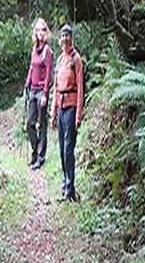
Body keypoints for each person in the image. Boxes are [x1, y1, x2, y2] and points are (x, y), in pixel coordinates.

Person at [50, 24, 84, 202]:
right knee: (61, 150)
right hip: (61, 107)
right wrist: (52, 113)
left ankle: (70, 190)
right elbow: (56, 88)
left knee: (68, 148)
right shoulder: (60, 60)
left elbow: (80, 88)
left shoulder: (75, 59)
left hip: (71, 107)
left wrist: (78, 115)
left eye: (67, 36)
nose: (64, 39)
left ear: (71, 38)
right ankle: (65, 185)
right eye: (62, 36)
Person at [24, 18, 53, 170]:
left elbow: (48, 73)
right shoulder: (34, 49)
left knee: (42, 125)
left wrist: (45, 94)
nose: (40, 32)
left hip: (41, 91)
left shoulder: (47, 51)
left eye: (43, 29)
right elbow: (31, 68)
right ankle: (35, 152)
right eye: (38, 30)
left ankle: (40, 158)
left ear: (46, 32)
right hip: (32, 90)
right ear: (35, 33)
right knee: (30, 124)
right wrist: (26, 85)